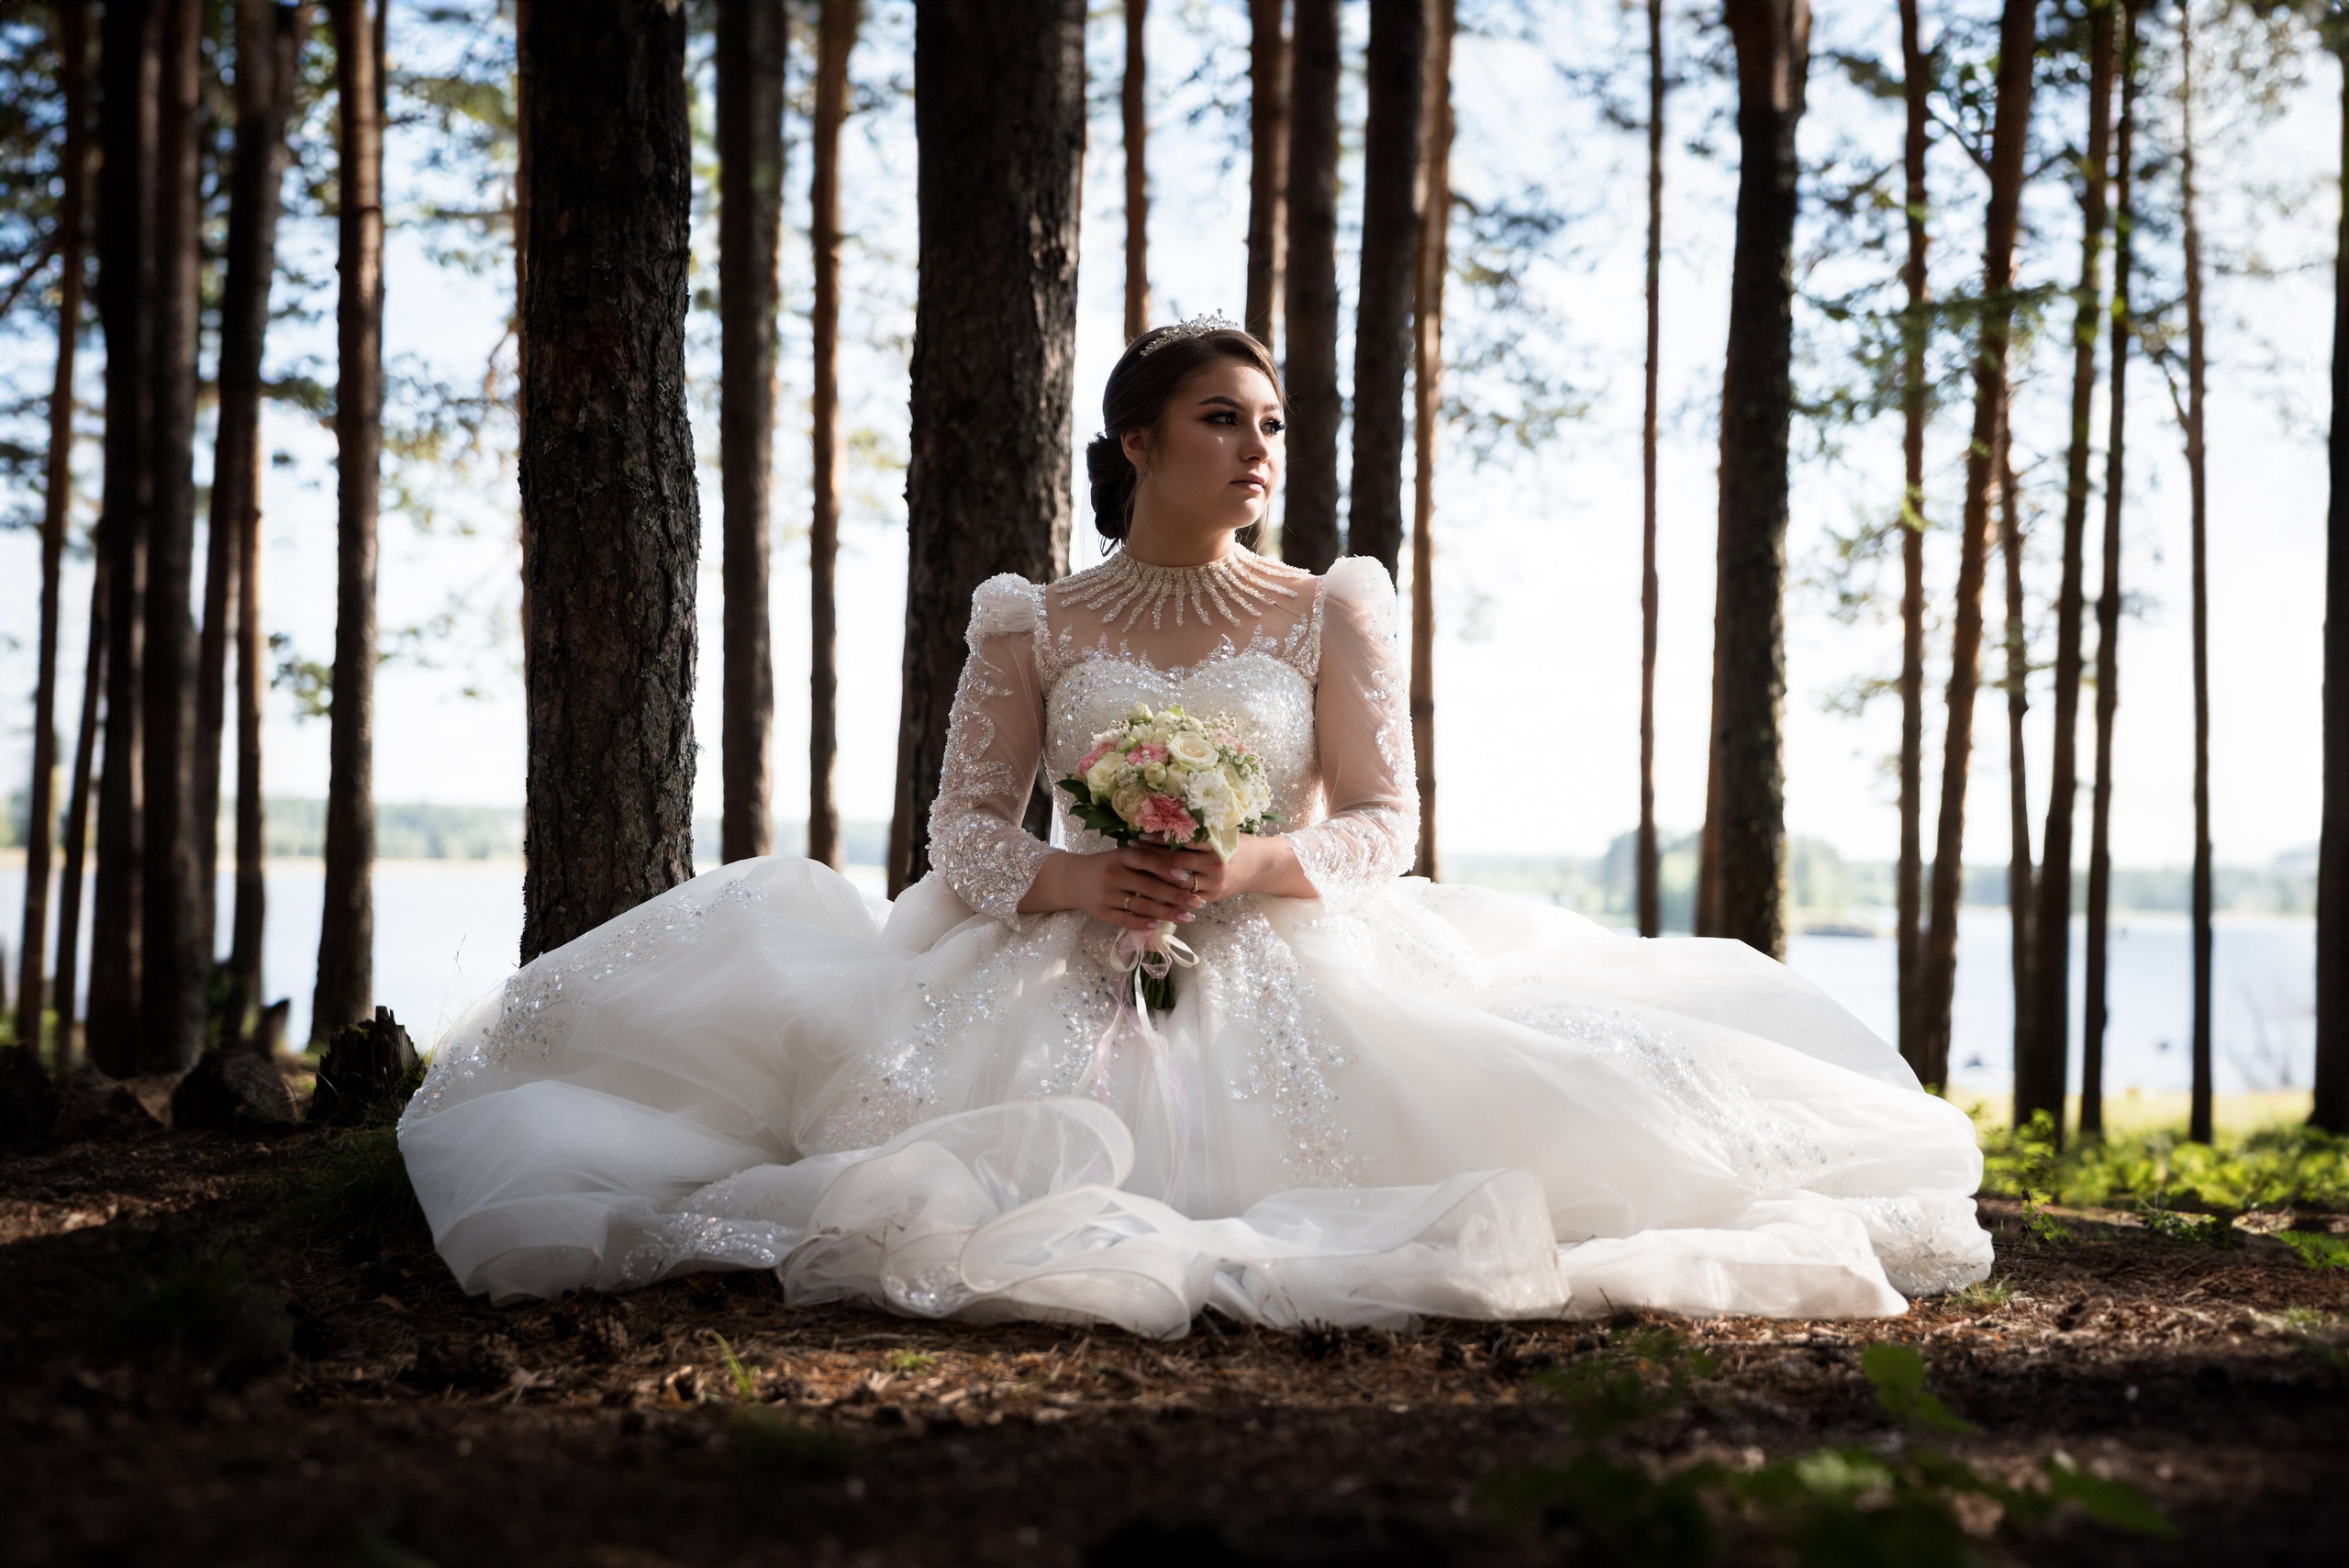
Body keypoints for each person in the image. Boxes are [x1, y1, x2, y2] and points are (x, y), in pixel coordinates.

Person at [399, 316, 1991, 1337]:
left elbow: (1386, 819)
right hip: (1062, 950)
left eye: (1274, 426)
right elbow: (962, 824)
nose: (1261, 452)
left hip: (1289, 943)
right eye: (1227, 420)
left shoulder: (1331, 608)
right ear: (1140, 443)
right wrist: (1078, 873)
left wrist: (1239, 862)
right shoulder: (1034, 616)